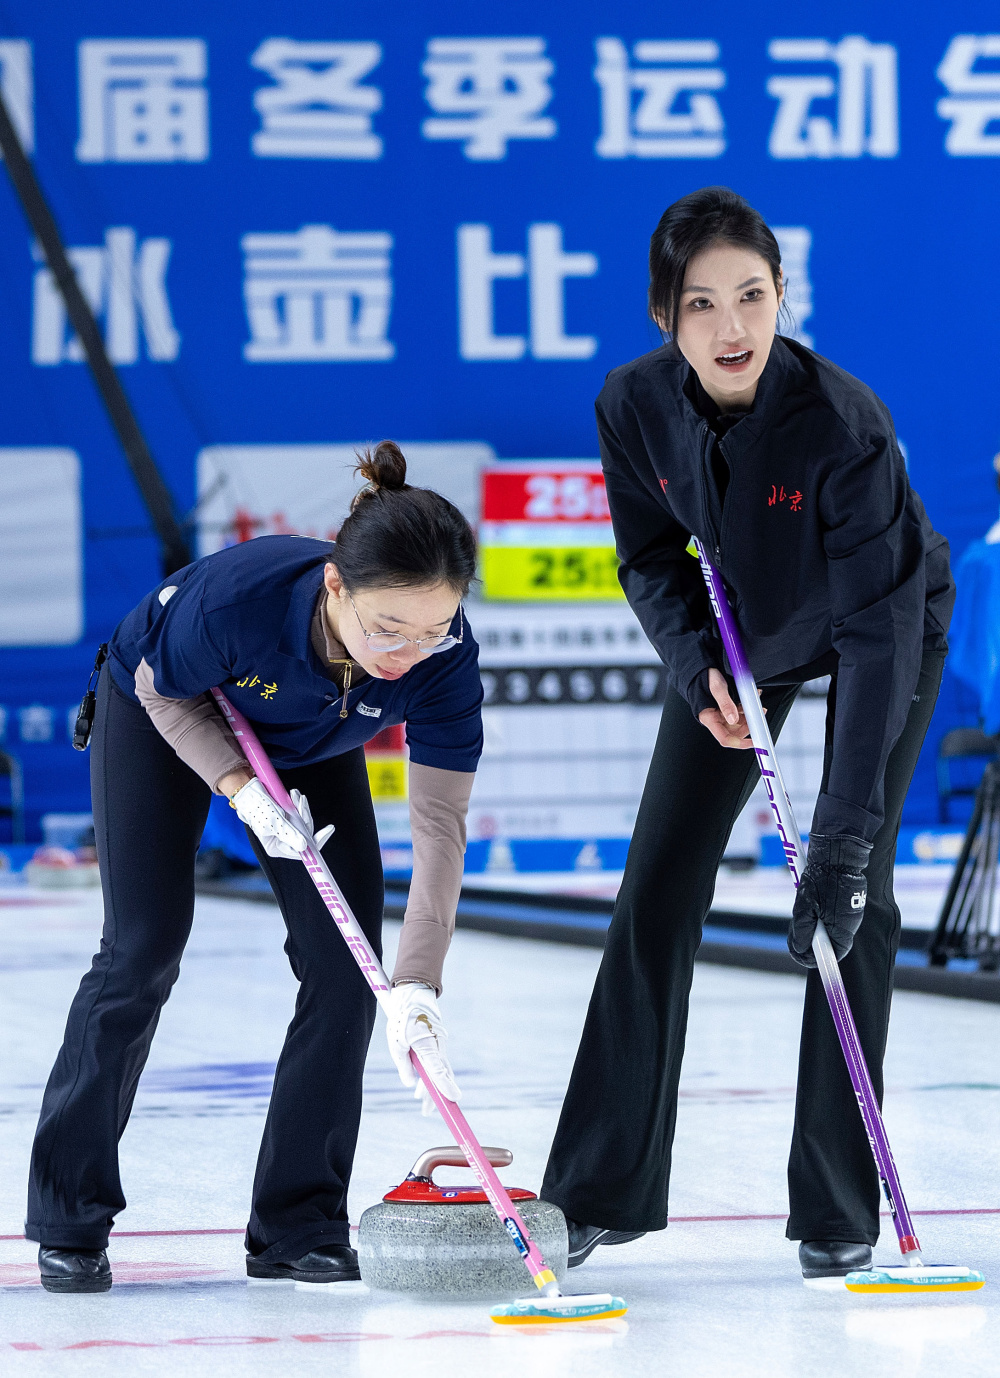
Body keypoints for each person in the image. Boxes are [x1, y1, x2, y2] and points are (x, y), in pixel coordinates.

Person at [541, 187, 954, 1281]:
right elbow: (647, 558)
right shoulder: (630, 405)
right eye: (703, 305)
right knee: (657, 884)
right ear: (663, 320)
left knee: (847, 901)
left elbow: (874, 640)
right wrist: (695, 666)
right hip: (740, 638)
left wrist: (843, 844)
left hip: (886, 624)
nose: (734, 328)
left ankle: (834, 1204)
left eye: (754, 297)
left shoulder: (843, 426)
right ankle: (596, 1192)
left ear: (781, 295)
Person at [27, 443, 483, 1292]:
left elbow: (440, 825)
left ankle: (296, 1226)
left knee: (353, 971)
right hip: (166, 709)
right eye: (388, 629)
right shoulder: (239, 603)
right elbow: (167, 690)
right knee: (142, 952)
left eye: (432, 629)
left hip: (312, 742)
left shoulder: (444, 660)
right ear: (336, 587)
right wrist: (240, 794)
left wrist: (418, 984)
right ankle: (68, 1214)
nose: (407, 652)